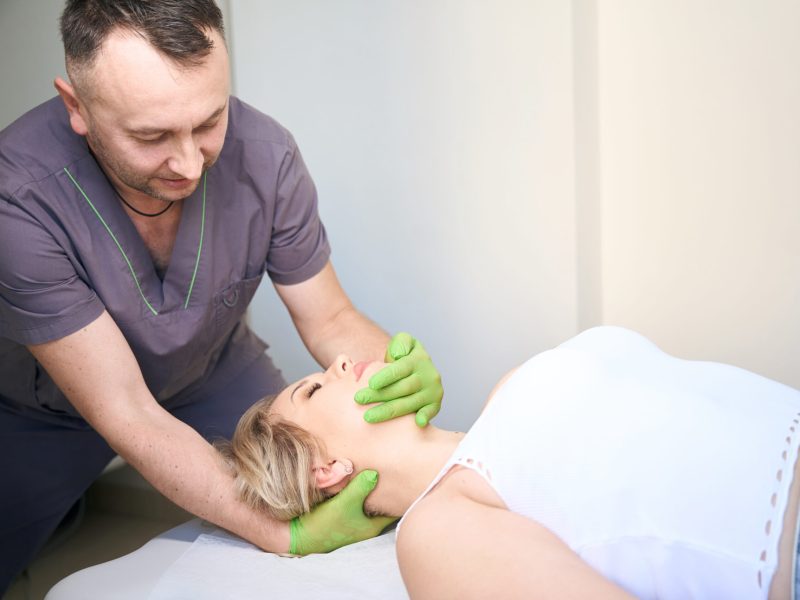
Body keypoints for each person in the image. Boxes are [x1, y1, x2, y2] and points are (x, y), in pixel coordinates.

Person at [0, 0, 444, 592]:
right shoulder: (18, 201)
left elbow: (330, 315)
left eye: (209, 122)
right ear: (76, 107)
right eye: (152, 135)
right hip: (45, 410)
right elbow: (126, 411)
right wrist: (276, 534)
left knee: (318, 488)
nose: (189, 163)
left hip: (213, 373)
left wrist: (396, 369)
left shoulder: (266, 156)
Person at [219, 326, 800, 599]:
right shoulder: (435, 533)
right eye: (316, 389)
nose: (340, 362)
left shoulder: (509, 390)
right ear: (327, 469)